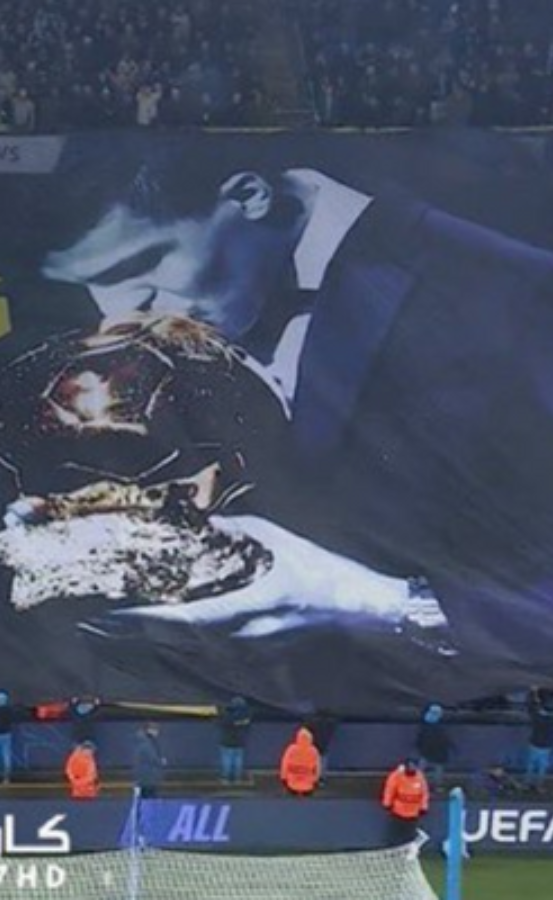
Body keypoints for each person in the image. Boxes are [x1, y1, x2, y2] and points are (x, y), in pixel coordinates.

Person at [40, 144, 553, 707]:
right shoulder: (203, 311)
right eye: (90, 283)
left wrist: (385, 604)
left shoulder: (517, 296)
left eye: (139, 265)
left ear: (249, 198)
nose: (120, 312)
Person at [382, 758, 430, 846]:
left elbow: (424, 793)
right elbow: (389, 789)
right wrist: (387, 803)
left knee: (410, 836)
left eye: (414, 766)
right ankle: (393, 851)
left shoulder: (420, 777)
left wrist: (423, 807)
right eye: (410, 766)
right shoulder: (397, 775)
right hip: (398, 811)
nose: (412, 768)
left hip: (413, 813)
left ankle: (408, 854)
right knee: (395, 834)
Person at [416, 704, 452, 789]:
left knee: (436, 769)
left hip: (436, 751)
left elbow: (445, 739)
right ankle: (419, 783)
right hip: (430, 750)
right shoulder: (427, 726)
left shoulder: (438, 726)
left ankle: (436, 785)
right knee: (427, 767)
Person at [218, 697, 251, 784]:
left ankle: (226, 778)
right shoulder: (246, 716)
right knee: (238, 759)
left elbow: (220, 723)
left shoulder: (227, 715)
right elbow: (246, 725)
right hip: (240, 741)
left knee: (227, 759)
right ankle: (237, 778)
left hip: (227, 741)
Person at [279, 726, 320, 797]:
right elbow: (317, 768)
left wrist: (283, 778)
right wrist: (315, 780)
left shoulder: (291, 749)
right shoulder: (314, 751)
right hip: (308, 785)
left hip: (291, 784)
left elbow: (284, 764)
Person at [525, 689, 553, 790]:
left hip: (535, 744)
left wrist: (533, 692)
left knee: (530, 766)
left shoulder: (536, 716)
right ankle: (539, 785)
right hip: (545, 747)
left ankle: (527, 784)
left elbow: (531, 707)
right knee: (542, 768)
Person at [134, 723, 167, 798]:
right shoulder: (147, 743)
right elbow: (153, 758)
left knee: (145, 798)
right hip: (148, 778)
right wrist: (161, 761)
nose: (157, 732)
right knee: (149, 800)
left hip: (144, 777)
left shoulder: (143, 742)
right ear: (150, 730)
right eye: (155, 730)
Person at [305, 710, 340, 782]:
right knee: (321, 760)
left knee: (317, 761)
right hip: (322, 747)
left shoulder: (312, 722)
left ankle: (316, 778)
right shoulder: (331, 723)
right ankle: (320, 778)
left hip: (316, 747)